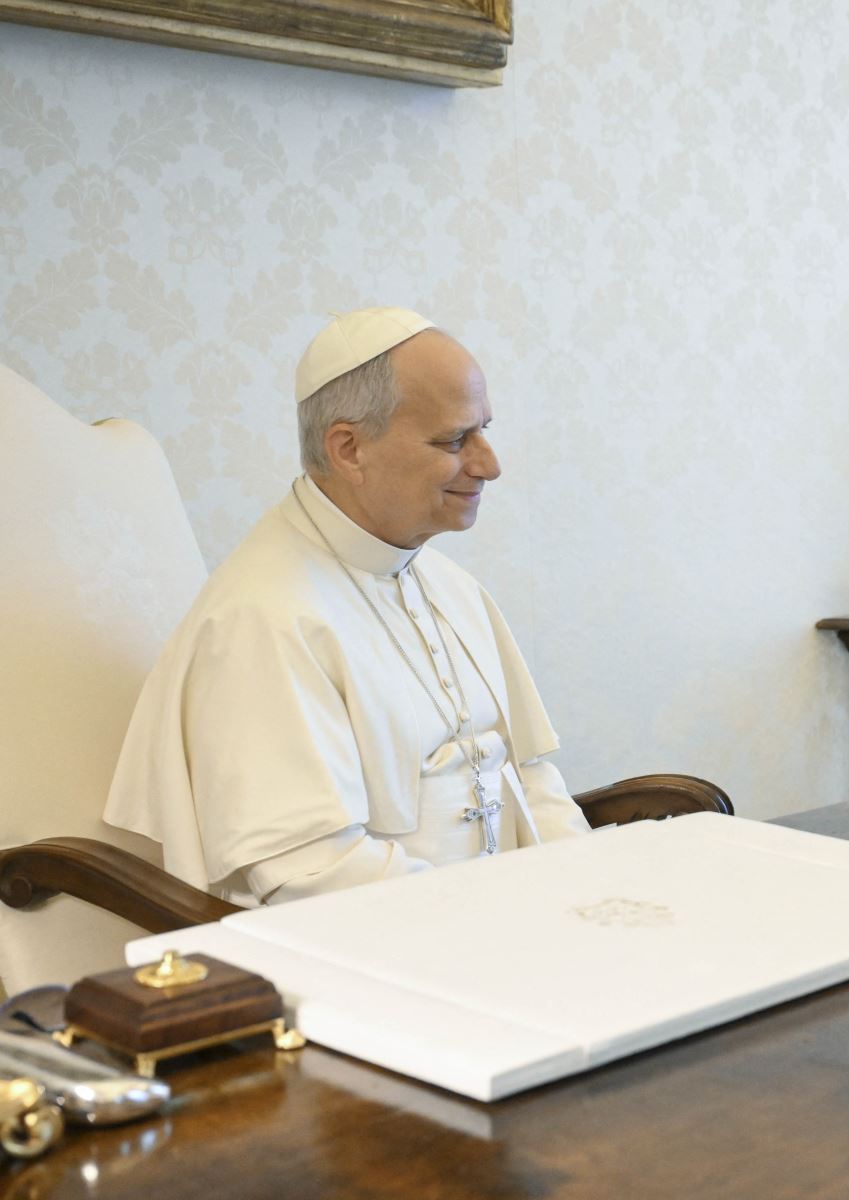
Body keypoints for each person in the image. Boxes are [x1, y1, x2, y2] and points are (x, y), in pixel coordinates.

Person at [105, 308, 591, 904]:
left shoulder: (451, 586)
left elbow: (531, 781)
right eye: (455, 439)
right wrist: (492, 921)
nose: (489, 464)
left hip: (499, 926)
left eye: (485, 430)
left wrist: (586, 897)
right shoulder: (264, 619)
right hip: (380, 951)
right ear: (349, 448)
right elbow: (310, 873)